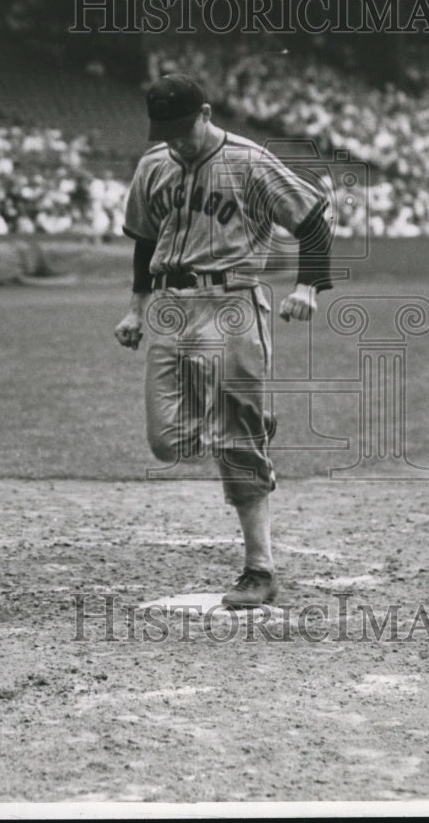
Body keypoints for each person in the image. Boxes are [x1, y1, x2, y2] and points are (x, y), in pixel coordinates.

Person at [115, 74, 334, 607]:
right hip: (171, 309)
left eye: (183, 129)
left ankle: (259, 568)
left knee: (237, 441)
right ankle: (250, 421)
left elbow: (313, 218)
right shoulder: (155, 164)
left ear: (207, 113)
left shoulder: (251, 162)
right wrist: (137, 308)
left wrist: (307, 286)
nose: (176, 141)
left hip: (233, 303)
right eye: (165, 132)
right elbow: (146, 242)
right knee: (168, 440)